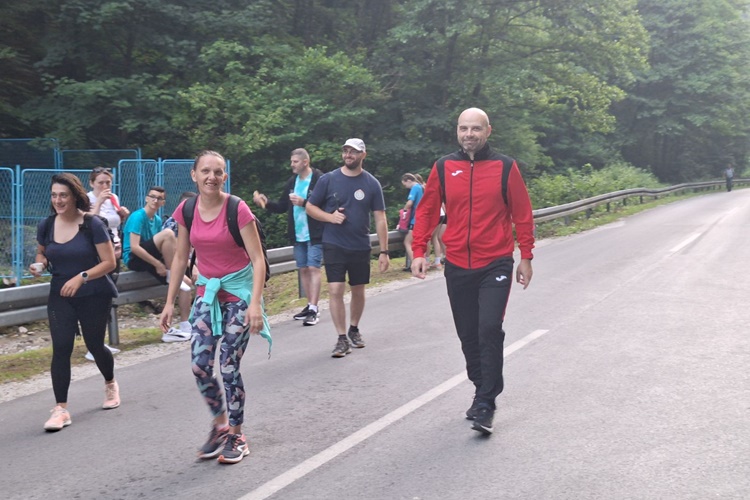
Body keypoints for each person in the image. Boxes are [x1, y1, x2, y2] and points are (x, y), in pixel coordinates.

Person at [410, 108, 535, 435]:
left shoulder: (505, 167)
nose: (470, 134)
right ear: (457, 131)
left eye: (476, 129)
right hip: (457, 265)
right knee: (468, 333)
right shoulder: (443, 166)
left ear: (488, 131)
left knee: (489, 327)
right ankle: (481, 387)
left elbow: (522, 212)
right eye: (464, 128)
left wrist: (527, 256)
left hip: (495, 260)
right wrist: (419, 250)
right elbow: (427, 211)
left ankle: (486, 402)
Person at [159, 150, 270, 465]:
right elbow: (181, 257)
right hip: (208, 294)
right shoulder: (187, 209)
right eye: (205, 171)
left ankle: (237, 433)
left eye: (218, 172)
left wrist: (256, 305)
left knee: (228, 365)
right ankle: (220, 424)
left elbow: (258, 258)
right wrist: (169, 302)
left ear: (225, 176)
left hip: (239, 294)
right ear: (194, 175)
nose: (211, 177)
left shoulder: (238, 208)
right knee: (199, 365)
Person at [30, 173, 120, 432]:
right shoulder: (47, 225)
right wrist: (40, 263)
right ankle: (61, 409)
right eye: (54, 195)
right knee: (61, 347)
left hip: (93, 292)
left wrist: (82, 277)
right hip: (61, 293)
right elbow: (42, 251)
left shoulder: (92, 224)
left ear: (74, 196)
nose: (58, 200)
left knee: (94, 344)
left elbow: (109, 263)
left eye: (63, 195)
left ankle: (110, 382)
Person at [305, 138, 390, 357]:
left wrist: (384, 251)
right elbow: (310, 207)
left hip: (360, 245)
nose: (348, 155)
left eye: (353, 151)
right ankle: (341, 337)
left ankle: (354, 328)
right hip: (334, 243)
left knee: (358, 290)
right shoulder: (328, 179)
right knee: (335, 289)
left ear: (363, 155)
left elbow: (380, 218)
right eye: (345, 151)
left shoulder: (371, 183)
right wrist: (329, 217)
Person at [253, 148, 324, 326]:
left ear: (305, 162)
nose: (291, 165)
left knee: (314, 268)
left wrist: (304, 202)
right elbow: (282, 206)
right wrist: (266, 202)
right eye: (292, 161)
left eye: (295, 162)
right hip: (297, 233)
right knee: (303, 269)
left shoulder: (319, 179)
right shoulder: (292, 181)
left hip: (315, 232)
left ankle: (315, 309)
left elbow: (328, 204)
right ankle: (309, 305)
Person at [84, 167, 130, 360]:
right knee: (95, 298)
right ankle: (91, 347)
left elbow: (114, 223)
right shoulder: (86, 199)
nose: (105, 186)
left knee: (106, 298)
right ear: (92, 183)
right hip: (95, 254)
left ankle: (99, 344)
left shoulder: (114, 197)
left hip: (114, 251)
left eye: (108, 183)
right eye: (101, 182)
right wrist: (100, 201)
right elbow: (88, 222)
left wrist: (122, 214)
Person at [122, 185, 192, 303]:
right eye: (152, 197)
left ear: (163, 202)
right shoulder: (138, 216)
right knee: (168, 234)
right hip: (134, 258)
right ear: (146, 199)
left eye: (159, 198)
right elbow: (134, 247)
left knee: (187, 283)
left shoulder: (157, 220)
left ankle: (185, 320)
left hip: (150, 257)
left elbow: (161, 247)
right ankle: (172, 271)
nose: (155, 200)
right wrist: (158, 264)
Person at [160, 191, 198, 342]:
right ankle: (185, 324)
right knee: (188, 284)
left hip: (188, 261)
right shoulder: (173, 223)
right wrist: (194, 266)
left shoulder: (196, 221)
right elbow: (178, 253)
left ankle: (205, 319)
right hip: (170, 264)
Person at [400, 173, 424, 271]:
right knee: (418, 242)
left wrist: (404, 211)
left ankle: (415, 265)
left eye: (405, 185)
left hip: (415, 219)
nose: (406, 187)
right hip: (422, 218)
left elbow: (410, 202)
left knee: (407, 242)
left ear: (409, 181)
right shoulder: (421, 187)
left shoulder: (415, 188)